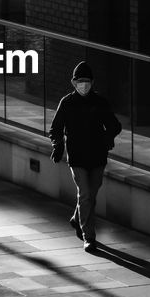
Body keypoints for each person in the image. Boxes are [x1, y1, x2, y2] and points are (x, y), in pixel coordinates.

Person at [48, 61, 122, 252]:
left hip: (97, 157)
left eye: (87, 81)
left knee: (90, 196)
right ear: (74, 82)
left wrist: (107, 138)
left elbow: (115, 125)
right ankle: (89, 237)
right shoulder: (67, 103)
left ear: (92, 82)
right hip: (78, 158)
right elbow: (55, 129)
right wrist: (58, 147)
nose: (84, 85)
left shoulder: (100, 102)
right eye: (80, 81)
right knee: (86, 194)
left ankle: (76, 218)